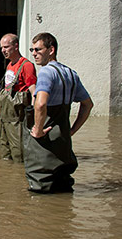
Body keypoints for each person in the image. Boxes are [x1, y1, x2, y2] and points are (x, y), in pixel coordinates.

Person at [23, 33, 93, 193]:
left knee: (40, 188)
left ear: (51, 49)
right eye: (32, 49)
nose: (33, 54)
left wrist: (38, 130)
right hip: (63, 140)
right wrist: (72, 131)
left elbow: (40, 104)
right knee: (63, 186)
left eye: (38, 49)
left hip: (45, 140)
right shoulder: (71, 74)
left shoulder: (46, 73)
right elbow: (88, 105)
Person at [0, 33, 37, 162]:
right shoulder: (9, 65)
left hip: (18, 120)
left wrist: (33, 117)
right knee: (4, 152)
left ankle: (20, 178)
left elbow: (34, 92)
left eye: (6, 47)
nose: (3, 50)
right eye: (1, 48)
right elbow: (6, 93)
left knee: (18, 154)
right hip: (5, 119)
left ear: (16, 46)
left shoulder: (26, 65)